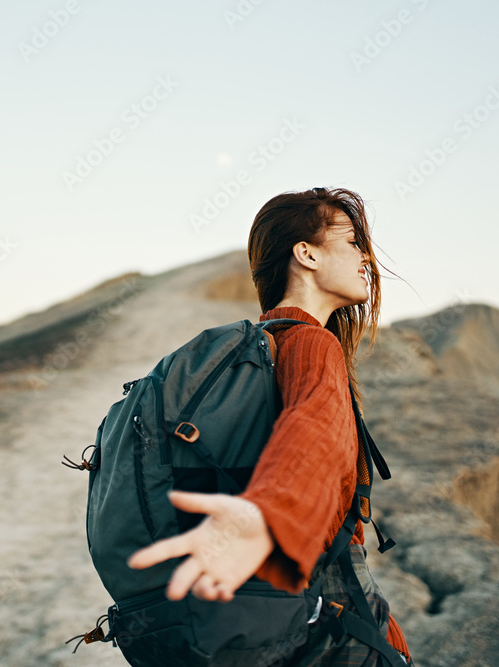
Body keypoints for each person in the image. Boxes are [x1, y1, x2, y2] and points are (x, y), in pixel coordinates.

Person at [128, 186, 413, 665]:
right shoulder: (309, 344)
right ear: (306, 254)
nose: (365, 257)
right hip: (330, 614)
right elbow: (312, 432)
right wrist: (269, 517)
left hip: (265, 616)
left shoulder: (263, 349)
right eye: (351, 243)